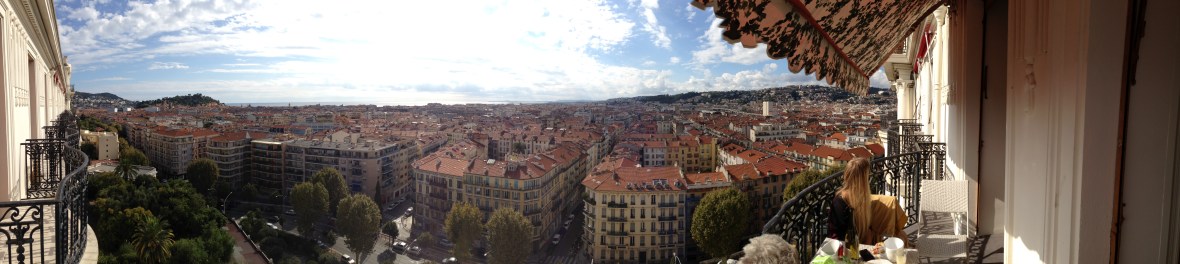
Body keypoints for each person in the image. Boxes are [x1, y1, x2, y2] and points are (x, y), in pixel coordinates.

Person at [829, 157, 909, 245]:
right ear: (862, 180)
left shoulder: (861, 198)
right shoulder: (840, 203)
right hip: (846, 246)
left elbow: (867, 230)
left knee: (902, 235)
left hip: (861, 242)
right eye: (867, 175)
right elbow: (838, 237)